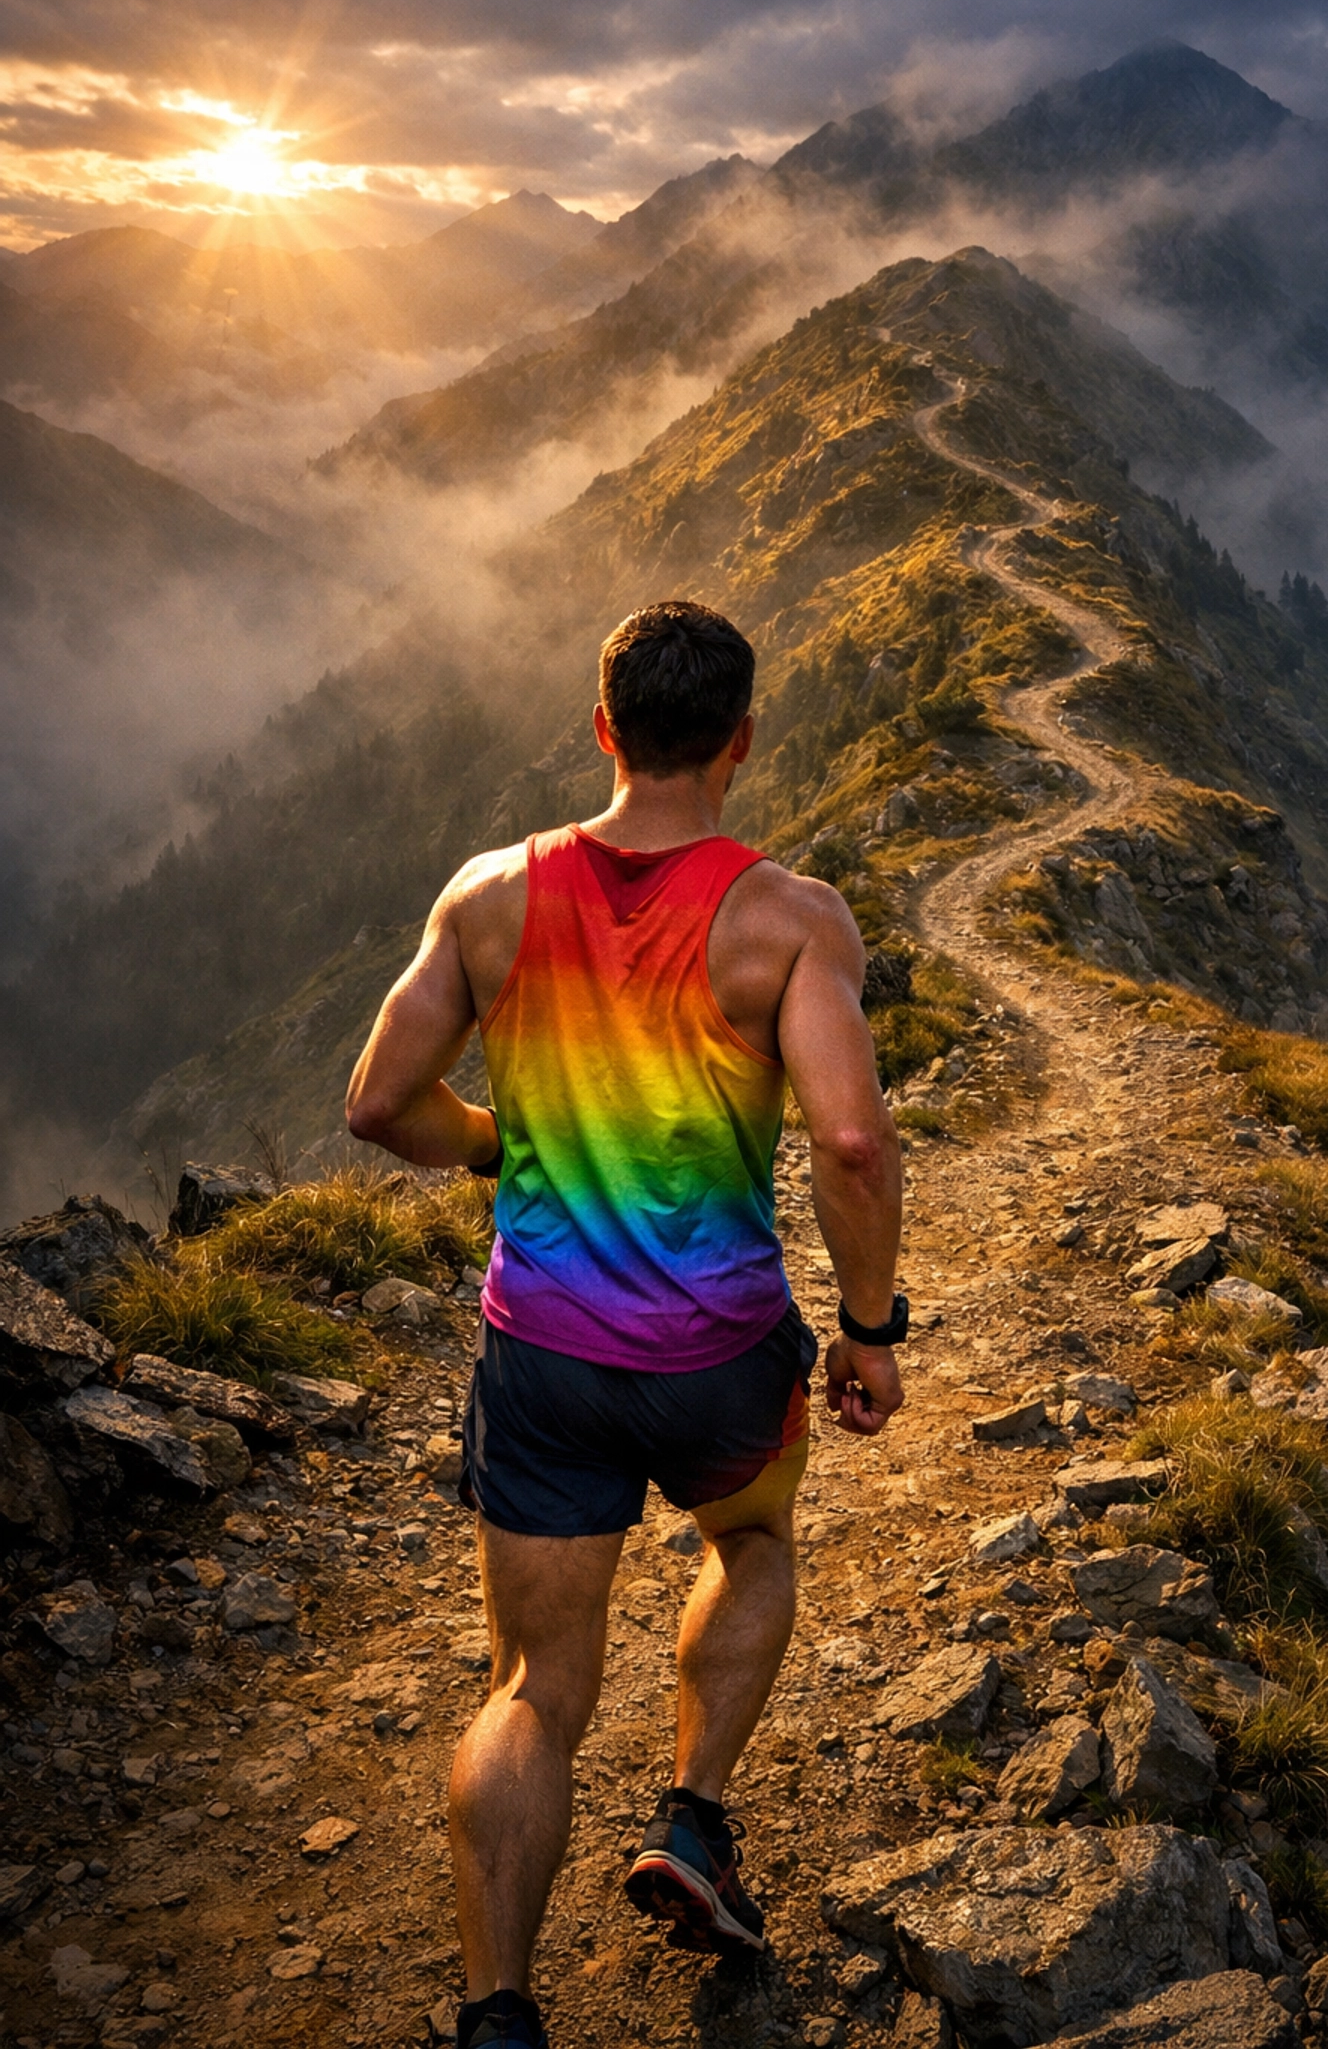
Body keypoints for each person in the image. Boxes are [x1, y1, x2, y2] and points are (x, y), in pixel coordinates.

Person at [346, 599, 906, 2049]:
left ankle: (498, 2015)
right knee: (756, 1544)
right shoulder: (789, 919)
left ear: (604, 730)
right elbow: (851, 1143)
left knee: (532, 1685)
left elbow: (375, 1103)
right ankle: (693, 1818)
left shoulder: (488, 897)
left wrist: (492, 1152)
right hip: (722, 1355)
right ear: (741, 742)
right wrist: (871, 1326)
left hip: (542, 1356)